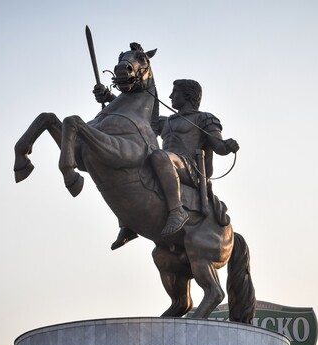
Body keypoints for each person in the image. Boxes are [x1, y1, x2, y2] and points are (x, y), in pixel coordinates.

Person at [94, 79, 239, 248]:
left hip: (190, 169)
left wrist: (228, 145)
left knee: (159, 156)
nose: (170, 96)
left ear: (186, 96)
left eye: (174, 92)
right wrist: (110, 97)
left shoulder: (204, 118)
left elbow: (219, 146)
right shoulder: (167, 121)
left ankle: (177, 211)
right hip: (165, 164)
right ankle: (128, 224)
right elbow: (137, 115)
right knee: (133, 161)